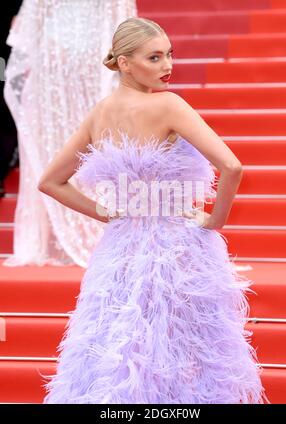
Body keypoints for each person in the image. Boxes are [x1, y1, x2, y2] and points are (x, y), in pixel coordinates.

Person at [38, 17, 269, 404]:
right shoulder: (168, 105)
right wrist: (216, 220)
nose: (167, 66)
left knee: (120, 342)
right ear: (125, 63)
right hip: (177, 244)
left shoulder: (101, 113)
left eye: (169, 55)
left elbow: (50, 182)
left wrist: (104, 213)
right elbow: (232, 167)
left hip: (120, 247)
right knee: (180, 345)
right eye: (155, 57)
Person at [3, 0, 137, 267]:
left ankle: (86, 225)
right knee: (75, 140)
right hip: (71, 57)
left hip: (68, 55)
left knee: (80, 139)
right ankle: (70, 228)